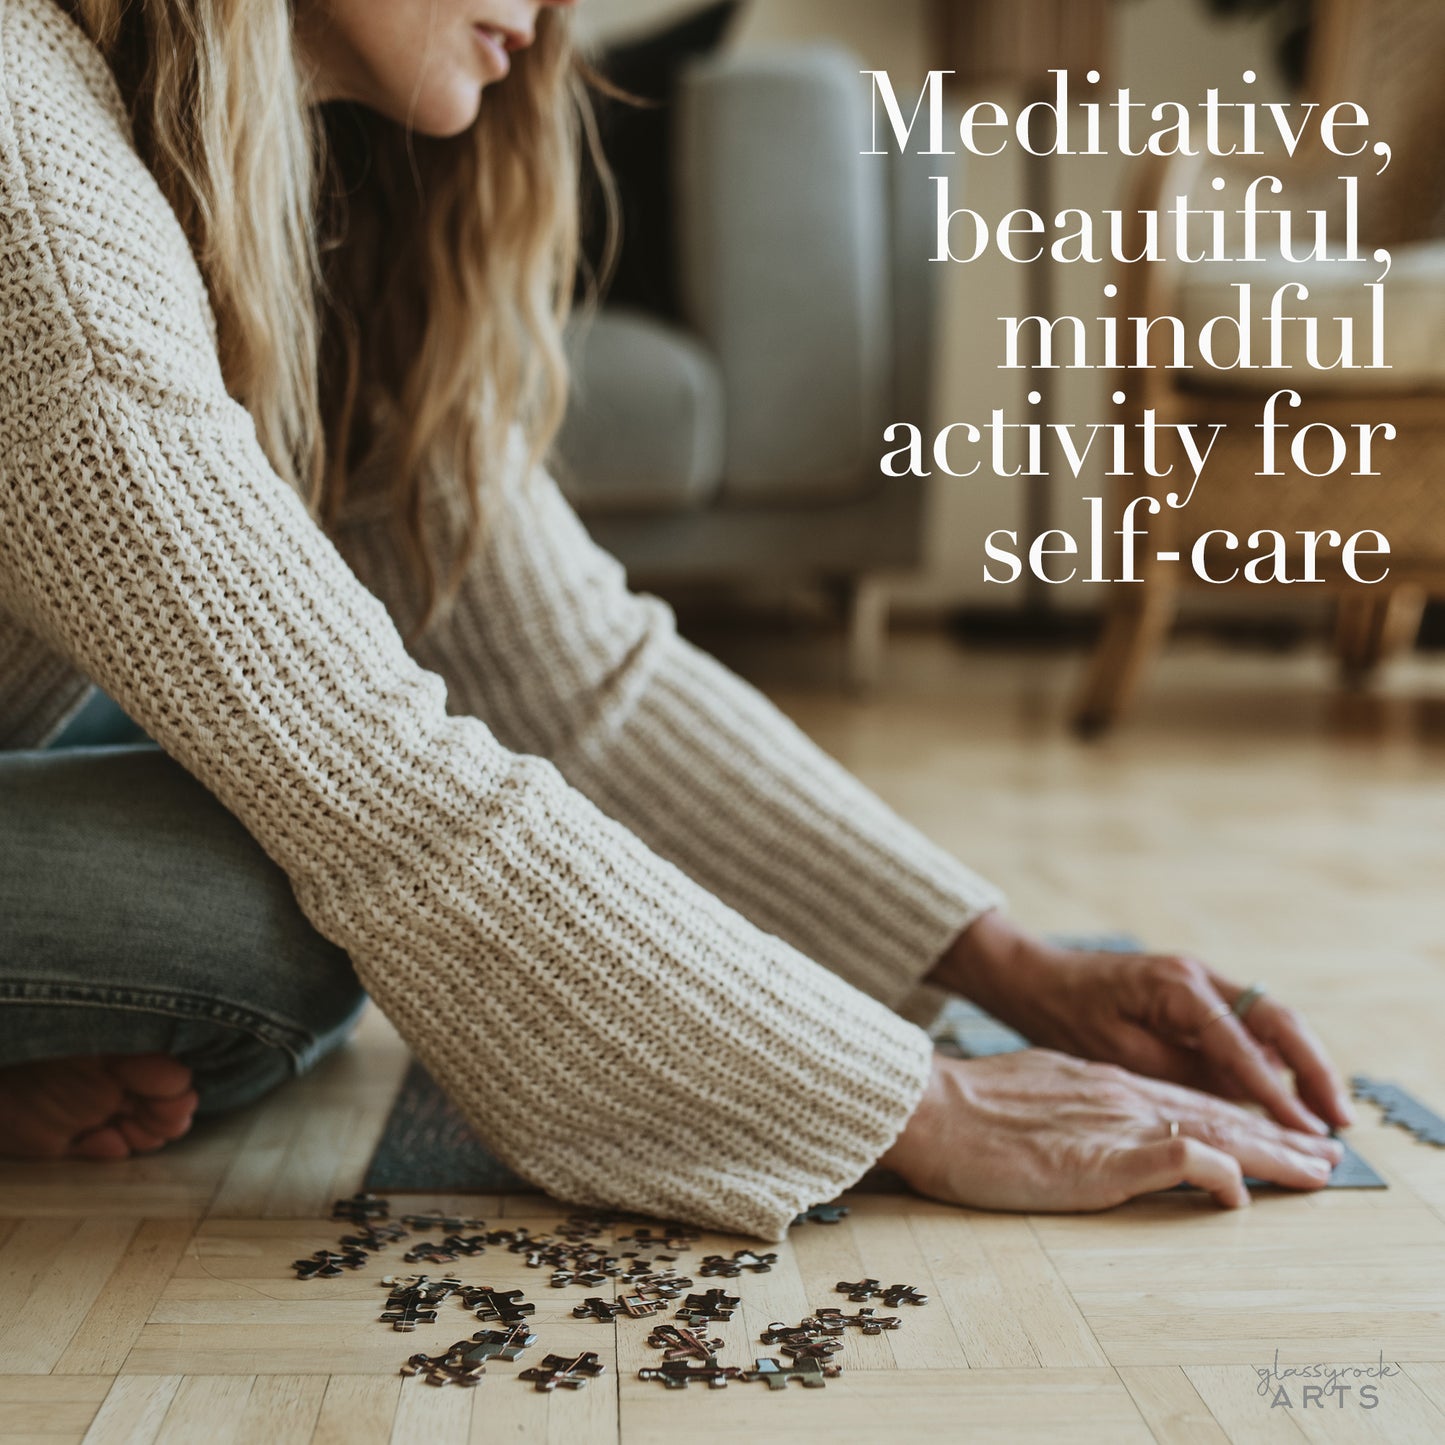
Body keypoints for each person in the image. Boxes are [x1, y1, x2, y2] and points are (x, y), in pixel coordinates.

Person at [0, 0, 1351, 1238]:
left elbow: (580, 682)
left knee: (276, 851)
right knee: (271, 910)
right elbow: (386, 797)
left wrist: (1013, 967)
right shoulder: (34, 188)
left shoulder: (306, 170)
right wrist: (914, 1101)